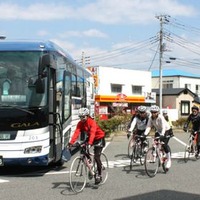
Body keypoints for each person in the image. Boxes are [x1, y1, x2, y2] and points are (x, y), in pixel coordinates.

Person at [68, 107, 105, 184]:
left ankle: (99, 175)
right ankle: (91, 165)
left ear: (87, 116)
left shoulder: (92, 122)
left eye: (83, 117)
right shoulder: (80, 123)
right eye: (80, 117)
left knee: (97, 157)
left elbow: (92, 133)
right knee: (83, 148)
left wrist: (90, 143)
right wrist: (71, 143)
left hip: (99, 138)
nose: (82, 119)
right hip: (91, 138)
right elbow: (76, 133)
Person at [144, 105, 172, 169]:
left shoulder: (161, 117)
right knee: (154, 141)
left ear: (158, 112)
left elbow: (163, 127)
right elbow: (148, 126)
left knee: (164, 144)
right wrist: (145, 134)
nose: (153, 114)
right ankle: (154, 155)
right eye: (152, 112)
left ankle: (169, 160)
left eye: (155, 112)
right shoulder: (151, 118)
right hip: (159, 131)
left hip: (167, 130)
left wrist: (162, 135)